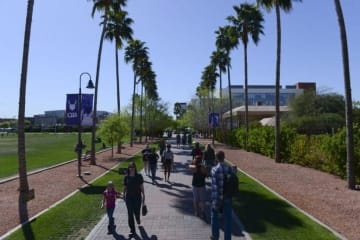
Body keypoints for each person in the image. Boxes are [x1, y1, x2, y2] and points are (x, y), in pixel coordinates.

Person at [210, 151, 232, 240]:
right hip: (227, 196)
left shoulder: (214, 169)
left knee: (214, 217)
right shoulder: (229, 168)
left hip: (217, 197)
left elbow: (214, 182)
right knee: (228, 219)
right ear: (224, 157)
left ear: (216, 158)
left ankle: (215, 236)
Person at [123, 162, 146, 237]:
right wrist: (123, 194)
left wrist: (144, 195)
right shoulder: (126, 177)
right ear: (128, 168)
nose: (132, 168)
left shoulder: (139, 176)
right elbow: (125, 187)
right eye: (130, 167)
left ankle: (138, 218)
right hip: (129, 197)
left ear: (135, 168)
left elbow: (141, 187)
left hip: (137, 197)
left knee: (137, 211)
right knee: (130, 214)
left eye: (133, 167)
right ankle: (132, 230)